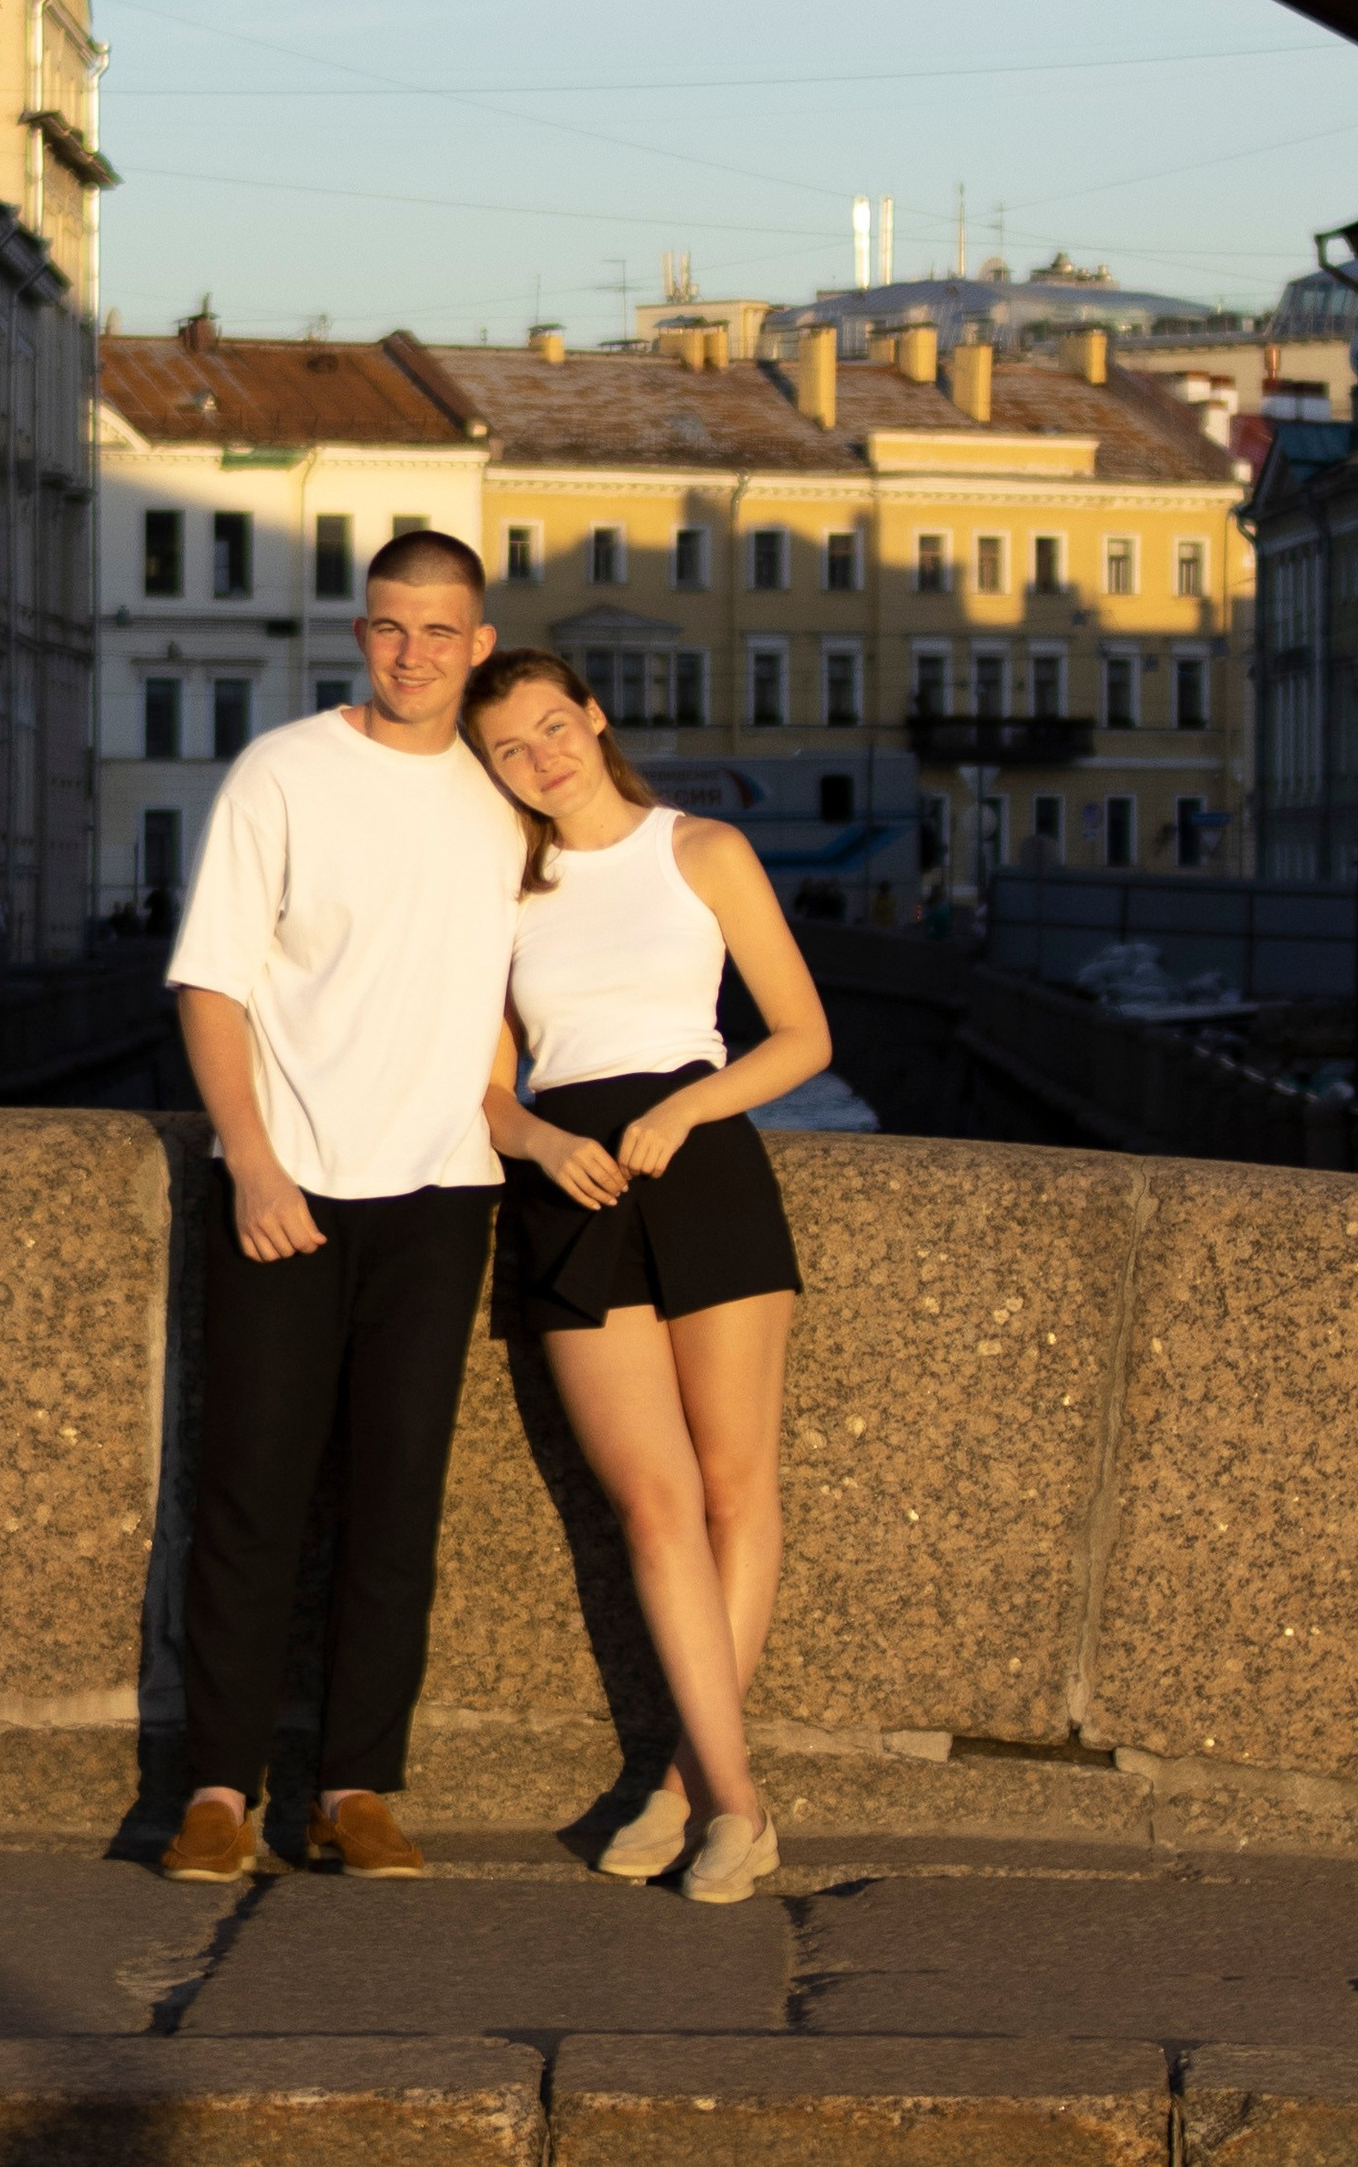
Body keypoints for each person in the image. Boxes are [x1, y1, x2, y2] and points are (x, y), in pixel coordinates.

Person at [158, 530, 524, 1887]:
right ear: (359, 636)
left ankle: (356, 1787)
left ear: (478, 645)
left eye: (440, 631)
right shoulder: (287, 772)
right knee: (250, 1493)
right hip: (289, 1183)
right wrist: (249, 1159)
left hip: (441, 1192)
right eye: (389, 628)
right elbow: (214, 982)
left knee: (395, 1502)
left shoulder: (502, 801)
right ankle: (215, 1791)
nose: (414, 653)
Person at [462, 648, 831, 1907]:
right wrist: (541, 1140)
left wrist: (688, 1109)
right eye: (511, 748)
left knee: (736, 1487)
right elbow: (487, 1088)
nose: (541, 758)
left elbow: (802, 1034)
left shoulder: (701, 852)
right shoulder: (498, 897)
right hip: (571, 1190)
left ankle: (688, 1789)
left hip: (705, 1170)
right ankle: (738, 1802)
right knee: (654, 1509)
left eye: (553, 727)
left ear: (594, 717)